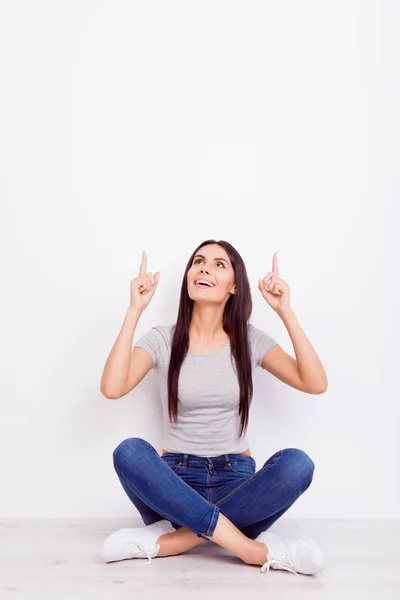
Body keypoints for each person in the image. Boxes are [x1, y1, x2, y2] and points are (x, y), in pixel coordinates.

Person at [99, 240, 328, 577]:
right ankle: (249, 549)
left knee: (297, 465)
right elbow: (112, 387)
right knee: (129, 452)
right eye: (199, 262)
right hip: (174, 485)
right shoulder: (163, 339)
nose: (204, 268)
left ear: (234, 286)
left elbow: (315, 382)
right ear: (190, 276)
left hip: (236, 482)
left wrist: (285, 312)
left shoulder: (249, 340)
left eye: (219, 264)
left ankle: (173, 542)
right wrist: (134, 310)